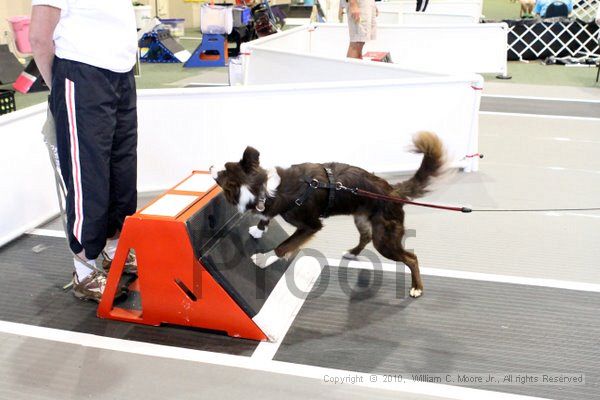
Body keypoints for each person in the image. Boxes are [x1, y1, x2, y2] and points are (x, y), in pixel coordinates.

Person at [29, 0, 139, 302]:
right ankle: (85, 269)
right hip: (82, 75)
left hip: (121, 75)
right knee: (87, 177)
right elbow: (39, 37)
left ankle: (114, 250)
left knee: (122, 169)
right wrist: (62, 90)